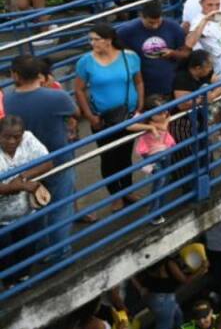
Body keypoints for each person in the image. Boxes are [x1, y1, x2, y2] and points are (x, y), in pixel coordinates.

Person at [4, 55, 79, 250]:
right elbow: (75, 113)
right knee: (61, 208)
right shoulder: (57, 97)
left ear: (15, 75)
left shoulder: (7, 100)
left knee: (35, 208)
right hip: (58, 160)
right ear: (39, 74)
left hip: (25, 165)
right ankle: (59, 252)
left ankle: (41, 249)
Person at [75, 23, 143, 208]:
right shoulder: (86, 62)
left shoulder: (130, 57)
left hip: (127, 115)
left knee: (125, 154)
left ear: (109, 40)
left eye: (96, 39)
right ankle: (115, 195)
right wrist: (90, 116)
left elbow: (138, 81)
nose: (93, 43)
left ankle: (127, 190)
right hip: (102, 118)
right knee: (108, 157)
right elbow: (79, 90)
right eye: (91, 39)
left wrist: (140, 105)